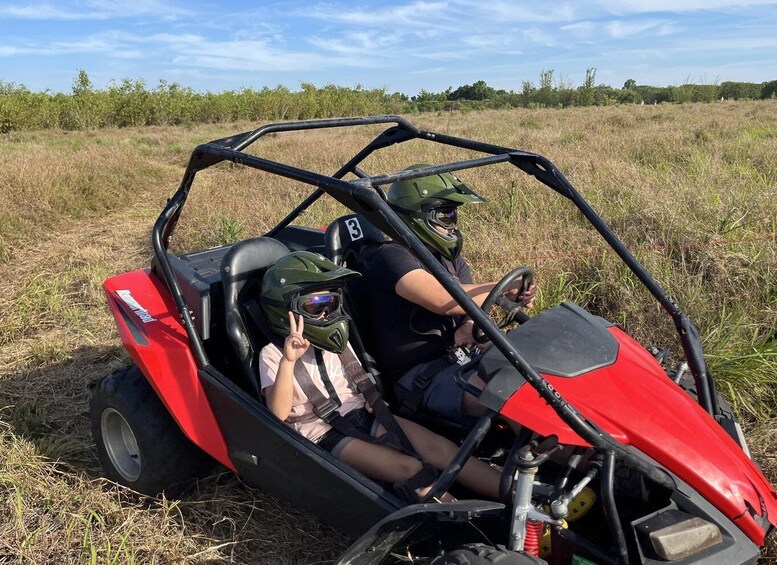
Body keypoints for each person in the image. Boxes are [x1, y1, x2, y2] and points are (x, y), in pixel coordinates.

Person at [257, 251, 500, 502]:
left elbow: (356, 377)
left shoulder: (335, 340)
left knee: (442, 449)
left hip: (364, 414)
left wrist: (374, 400)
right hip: (323, 433)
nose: (327, 314)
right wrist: (289, 361)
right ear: (284, 310)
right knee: (410, 469)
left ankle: (521, 494)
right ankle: (472, 525)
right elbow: (278, 414)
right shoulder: (273, 354)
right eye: (316, 305)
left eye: (332, 303)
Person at [356, 164, 537, 424]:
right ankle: (548, 459)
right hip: (421, 376)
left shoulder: (451, 259)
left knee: (543, 369)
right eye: (446, 216)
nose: (453, 226)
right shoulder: (391, 257)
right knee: (513, 399)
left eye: (454, 215)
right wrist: (504, 287)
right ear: (418, 216)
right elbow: (444, 300)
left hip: (464, 356)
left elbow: (469, 308)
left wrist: (470, 326)